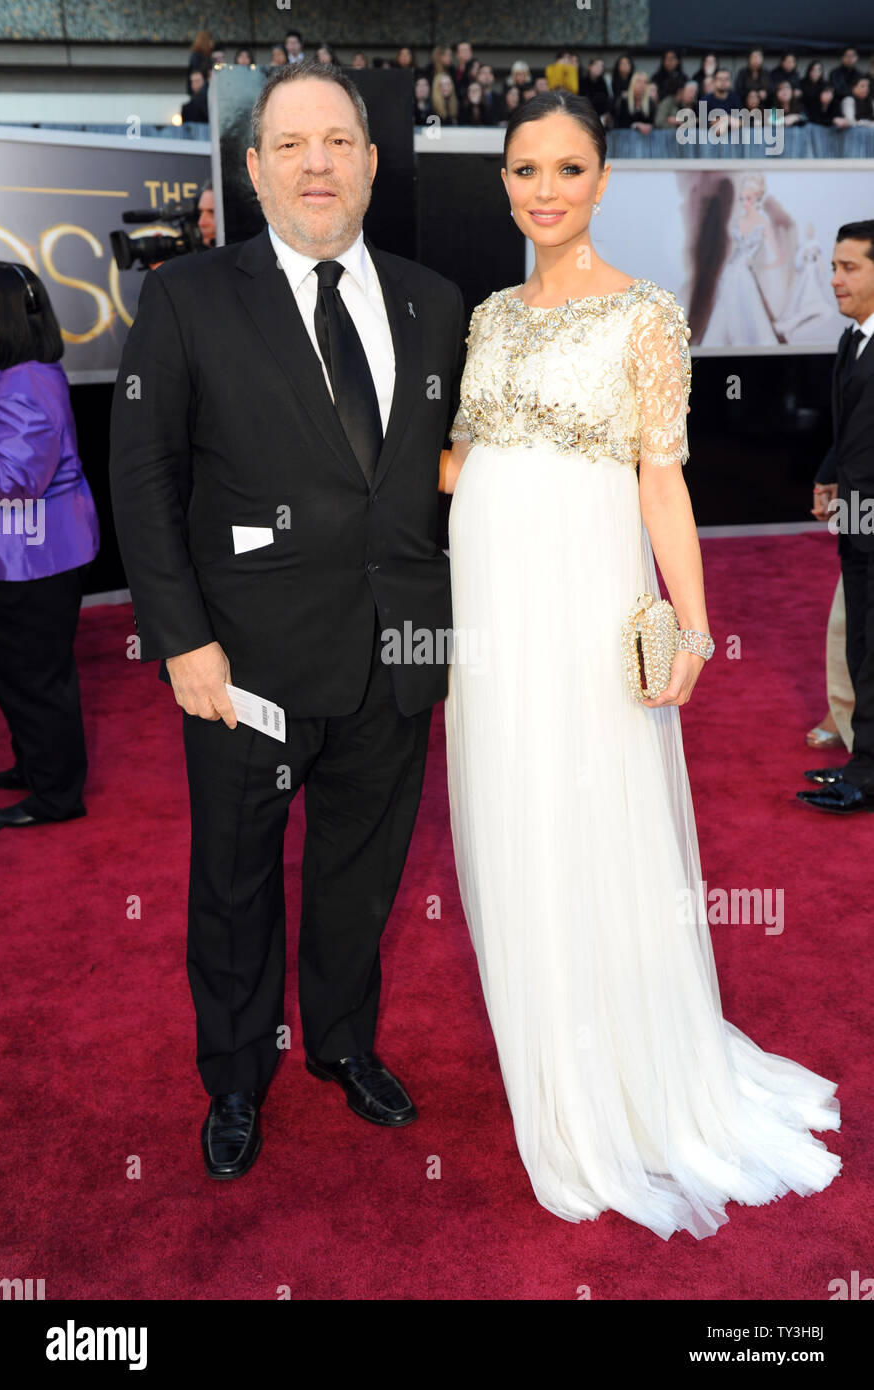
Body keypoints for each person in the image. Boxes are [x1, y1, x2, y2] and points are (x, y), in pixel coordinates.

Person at [437, 90, 841, 1238]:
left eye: (567, 169)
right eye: (524, 169)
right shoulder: (489, 315)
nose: (544, 190)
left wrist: (694, 625)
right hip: (490, 605)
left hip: (582, 594)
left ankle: (623, 1068)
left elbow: (661, 479)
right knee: (512, 808)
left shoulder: (645, 315)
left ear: (602, 181)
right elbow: (463, 462)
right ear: (504, 179)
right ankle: (548, 1040)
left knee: (592, 806)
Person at [109, 59, 467, 1179]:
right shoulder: (187, 299)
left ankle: (344, 1047)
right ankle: (233, 1078)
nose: (317, 162)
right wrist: (180, 640)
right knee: (232, 882)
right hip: (242, 667)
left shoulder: (436, 302)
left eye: (337, 142)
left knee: (361, 878)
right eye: (290, 145)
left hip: (395, 658)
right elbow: (145, 477)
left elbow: (457, 478)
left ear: (369, 160)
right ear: (254, 169)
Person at [0, 263, 99, 830]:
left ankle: (57, 796)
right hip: (29, 551)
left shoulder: (28, 381)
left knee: (36, 678)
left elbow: (15, 480)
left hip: (37, 557)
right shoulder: (24, 374)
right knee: (20, 674)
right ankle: (35, 768)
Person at [800, 222, 874, 813]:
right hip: (855, 520)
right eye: (833, 266)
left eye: (849, 268)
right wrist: (830, 478)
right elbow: (848, 430)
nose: (834, 279)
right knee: (861, 645)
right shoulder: (852, 340)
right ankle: (864, 760)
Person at [700, 174, 783, 346]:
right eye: (742, 199)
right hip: (731, 270)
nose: (745, 203)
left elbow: (778, 256)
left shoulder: (763, 222)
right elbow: (734, 251)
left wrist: (760, 266)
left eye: (749, 198)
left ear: (756, 199)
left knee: (749, 310)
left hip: (745, 273)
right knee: (726, 310)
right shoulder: (737, 221)